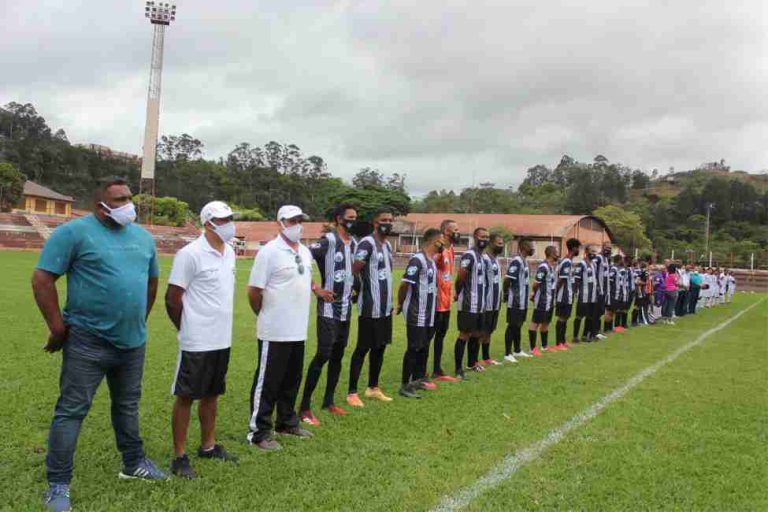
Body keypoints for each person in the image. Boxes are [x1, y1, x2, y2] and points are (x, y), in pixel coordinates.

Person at [32, 179, 166, 512]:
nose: (128, 204)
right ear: (100, 205)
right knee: (72, 410)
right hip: (87, 340)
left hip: (132, 342)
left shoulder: (143, 238)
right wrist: (57, 328)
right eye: (119, 199)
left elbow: (151, 282)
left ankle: (133, 463)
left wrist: (137, 320)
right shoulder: (73, 233)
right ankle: (58, 485)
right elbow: (42, 278)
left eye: (129, 198)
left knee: (127, 405)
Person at [246, 205, 333, 451]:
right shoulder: (269, 252)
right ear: (280, 223)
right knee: (268, 381)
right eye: (292, 221)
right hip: (274, 329)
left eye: (299, 220)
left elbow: (304, 276)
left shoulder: (304, 251)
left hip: (298, 329)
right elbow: (254, 291)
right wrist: (265, 314)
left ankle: (286, 422)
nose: (297, 225)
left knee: (291, 379)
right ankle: (259, 431)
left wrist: (316, 289)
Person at [165, 201, 239, 479]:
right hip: (197, 340)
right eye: (223, 220)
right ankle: (179, 456)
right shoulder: (190, 254)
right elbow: (173, 299)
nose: (229, 224)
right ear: (207, 223)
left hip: (222, 337)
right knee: (186, 395)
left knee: (212, 393)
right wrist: (186, 329)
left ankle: (208, 446)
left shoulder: (229, 252)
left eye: (230, 218)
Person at [300, 204, 358, 424]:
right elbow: (300, 259)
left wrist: (355, 287)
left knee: (337, 356)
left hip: (345, 310)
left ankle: (329, 401)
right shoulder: (328, 241)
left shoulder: (353, 243)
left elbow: (351, 272)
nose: (353, 220)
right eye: (350, 217)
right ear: (339, 219)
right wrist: (316, 289)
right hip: (328, 309)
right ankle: (304, 407)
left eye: (355, 217)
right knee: (323, 354)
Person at [347, 208, 396, 407]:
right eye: (384, 220)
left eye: (390, 220)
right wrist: (356, 291)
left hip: (385, 308)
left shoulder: (388, 245)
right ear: (375, 223)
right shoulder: (367, 243)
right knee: (363, 348)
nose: (388, 223)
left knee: (380, 346)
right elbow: (354, 270)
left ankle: (373, 388)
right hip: (370, 306)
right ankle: (352, 392)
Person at [395, 228, 441, 399]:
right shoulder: (417, 260)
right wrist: (400, 304)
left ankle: (418, 379)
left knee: (423, 347)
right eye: (441, 241)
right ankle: (404, 385)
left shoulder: (432, 260)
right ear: (434, 241)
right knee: (414, 347)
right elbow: (404, 284)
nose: (443, 244)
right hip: (416, 311)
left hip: (429, 312)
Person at [454, 228, 489, 377]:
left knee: (477, 334)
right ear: (475, 237)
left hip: (480, 304)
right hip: (469, 303)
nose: (485, 239)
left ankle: (472, 363)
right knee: (465, 334)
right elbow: (461, 276)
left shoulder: (482, 257)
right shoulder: (469, 255)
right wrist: (457, 293)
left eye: (487, 237)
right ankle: (458, 369)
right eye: (482, 236)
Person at [431, 220, 461, 382]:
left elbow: (448, 272)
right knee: (429, 336)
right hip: (436, 300)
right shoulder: (438, 247)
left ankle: (437, 369)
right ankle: (419, 372)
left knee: (441, 335)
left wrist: (452, 291)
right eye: (455, 230)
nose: (458, 232)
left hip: (446, 300)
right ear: (446, 231)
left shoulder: (451, 248)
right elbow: (431, 265)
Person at [503, 238, 534, 361]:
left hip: (523, 301)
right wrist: (506, 293)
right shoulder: (516, 261)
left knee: (519, 325)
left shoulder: (524, 261)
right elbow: (507, 279)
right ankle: (507, 353)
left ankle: (517, 350)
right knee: (512, 325)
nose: (532, 248)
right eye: (530, 246)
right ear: (524, 247)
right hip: (515, 300)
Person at [479, 234, 504, 365]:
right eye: (499, 243)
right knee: (482, 331)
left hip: (495, 303)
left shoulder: (496, 260)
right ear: (491, 243)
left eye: (502, 243)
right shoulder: (484, 259)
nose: (501, 246)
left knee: (489, 331)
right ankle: (475, 359)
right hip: (486, 303)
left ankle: (486, 357)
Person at [529, 245, 559, 355]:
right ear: (551, 254)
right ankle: (532, 348)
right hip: (542, 300)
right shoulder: (543, 267)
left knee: (546, 322)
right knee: (535, 323)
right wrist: (534, 294)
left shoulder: (551, 267)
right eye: (556, 252)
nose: (557, 255)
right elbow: (535, 284)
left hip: (550, 301)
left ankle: (544, 346)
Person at [554, 238, 580, 350]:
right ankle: (558, 343)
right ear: (573, 248)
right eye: (577, 247)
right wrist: (555, 293)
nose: (578, 250)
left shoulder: (568, 261)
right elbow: (561, 279)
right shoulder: (567, 262)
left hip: (568, 295)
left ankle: (563, 342)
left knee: (565, 318)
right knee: (561, 318)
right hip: (563, 295)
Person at [572, 244, 598, 343]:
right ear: (586, 252)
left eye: (595, 252)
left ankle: (585, 335)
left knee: (590, 316)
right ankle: (575, 336)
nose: (594, 254)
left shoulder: (594, 264)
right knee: (579, 316)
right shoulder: (581, 264)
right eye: (592, 251)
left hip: (593, 295)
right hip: (583, 295)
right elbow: (576, 279)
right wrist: (575, 292)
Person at [592, 245, 611, 340]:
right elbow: (593, 270)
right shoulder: (598, 258)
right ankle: (593, 332)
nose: (608, 250)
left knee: (600, 312)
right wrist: (597, 286)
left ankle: (598, 331)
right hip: (599, 290)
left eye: (610, 249)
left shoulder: (606, 259)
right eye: (607, 248)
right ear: (603, 248)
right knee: (596, 312)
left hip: (605, 290)